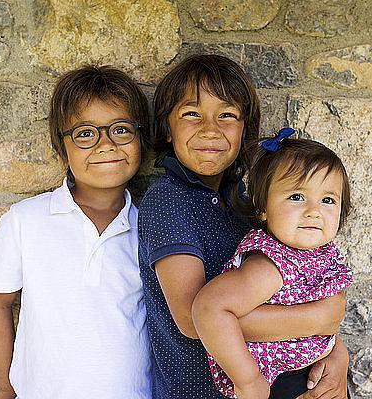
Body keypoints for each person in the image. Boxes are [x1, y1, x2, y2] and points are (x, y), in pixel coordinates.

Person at [138, 54, 350, 399]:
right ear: (166, 128)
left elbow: (296, 280)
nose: (210, 128)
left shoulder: (246, 200)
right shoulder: (168, 201)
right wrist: (319, 319)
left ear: (244, 129)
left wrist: (334, 349)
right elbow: (195, 321)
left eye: (227, 115)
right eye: (192, 114)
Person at [0, 65, 152, 399]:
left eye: (121, 130)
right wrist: (5, 387)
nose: (106, 145)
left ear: (140, 139)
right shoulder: (25, 220)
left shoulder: (150, 230)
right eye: (85, 133)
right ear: (61, 147)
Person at [192, 129, 353, 399]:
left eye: (328, 200)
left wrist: (338, 350)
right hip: (281, 384)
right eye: (297, 196)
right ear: (262, 207)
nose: (314, 210)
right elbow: (209, 307)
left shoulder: (318, 253)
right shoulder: (270, 265)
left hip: (315, 374)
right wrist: (248, 380)